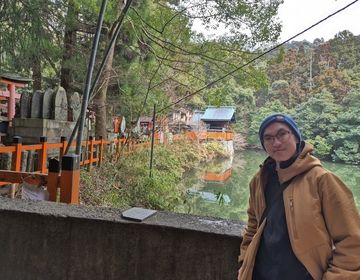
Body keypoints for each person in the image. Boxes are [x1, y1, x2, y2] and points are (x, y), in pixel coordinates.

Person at [238, 113, 360, 280]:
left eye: (282, 134)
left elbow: (351, 240)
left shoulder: (322, 180)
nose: (276, 142)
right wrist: (245, 260)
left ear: (296, 137)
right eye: (268, 138)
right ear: (264, 145)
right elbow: (253, 223)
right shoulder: (260, 180)